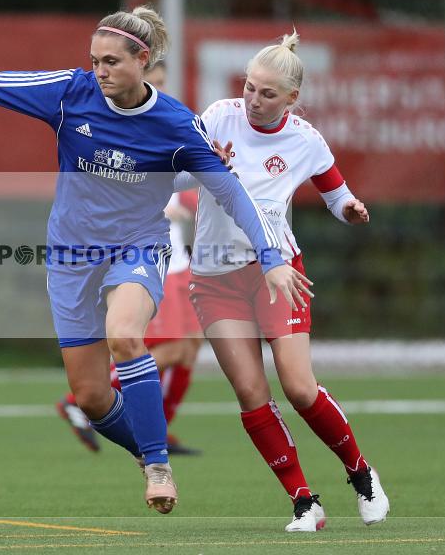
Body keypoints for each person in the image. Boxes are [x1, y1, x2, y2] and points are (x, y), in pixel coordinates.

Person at [0, 6, 311, 515]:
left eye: (111, 61)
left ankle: (158, 466)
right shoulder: (71, 95)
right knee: (91, 397)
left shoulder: (177, 124)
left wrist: (270, 257)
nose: (100, 71)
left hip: (138, 245)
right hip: (71, 256)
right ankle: (145, 450)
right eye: (94, 60)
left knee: (124, 334)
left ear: (143, 59)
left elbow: (232, 193)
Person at [175, 30, 389, 531]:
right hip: (213, 276)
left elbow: (337, 195)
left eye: (267, 93)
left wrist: (350, 209)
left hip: (277, 274)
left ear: (292, 99)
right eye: (249, 86)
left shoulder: (305, 139)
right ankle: (304, 503)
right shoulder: (218, 117)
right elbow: (177, 177)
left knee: (297, 386)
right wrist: (206, 167)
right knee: (251, 392)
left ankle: (359, 472)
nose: (253, 98)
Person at [57, 60, 204, 456]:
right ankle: (88, 402)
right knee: (170, 347)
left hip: (176, 257)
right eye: (152, 81)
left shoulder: (170, 118)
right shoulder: (116, 122)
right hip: (151, 258)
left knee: (190, 345)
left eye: (161, 83)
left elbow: (187, 181)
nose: (156, 90)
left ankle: (161, 428)